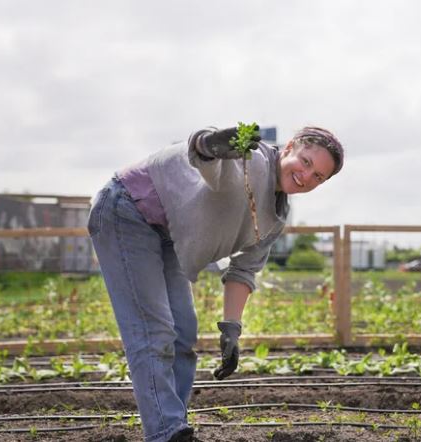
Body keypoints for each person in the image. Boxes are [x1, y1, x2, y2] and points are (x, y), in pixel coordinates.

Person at [87, 125, 344, 442]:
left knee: (183, 333)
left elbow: (243, 270)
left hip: (168, 234)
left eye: (318, 176)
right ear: (290, 146)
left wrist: (231, 330)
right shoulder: (251, 160)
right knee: (153, 330)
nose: (307, 177)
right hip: (126, 208)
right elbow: (205, 156)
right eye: (306, 162)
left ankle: (174, 426)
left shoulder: (275, 217)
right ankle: (167, 433)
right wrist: (210, 143)